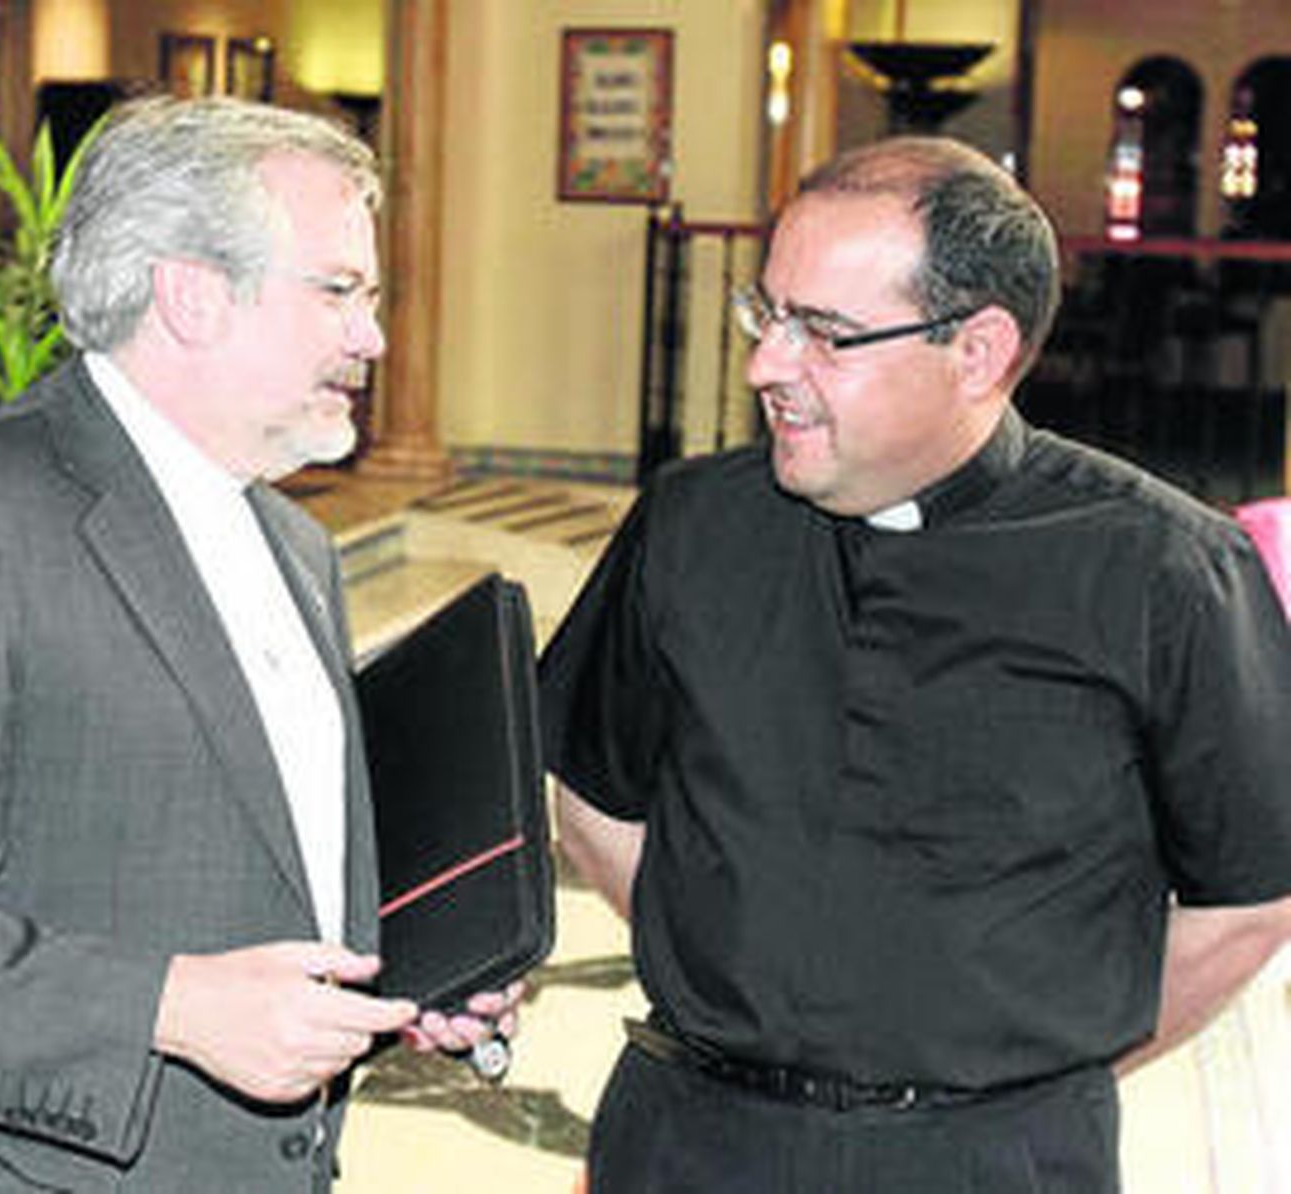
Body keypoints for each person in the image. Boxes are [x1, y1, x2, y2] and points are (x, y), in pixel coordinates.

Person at [0, 96, 518, 1193]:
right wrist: (173, 1009)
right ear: (191, 293)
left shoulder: (295, 543)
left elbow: (245, 855)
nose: (373, 337)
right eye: (338, 291)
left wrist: (403, 982)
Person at [540, 135, 1291, 1193]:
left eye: (825, 334)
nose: (766, 365)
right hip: (689, 1135)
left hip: (992, 1161)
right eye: (767, 315)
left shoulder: (1165, 570)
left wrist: (1027, 1074)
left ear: (976, 351)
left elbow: (1250, 901)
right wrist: (746, 989)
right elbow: (595, 803)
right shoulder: (691, 522)